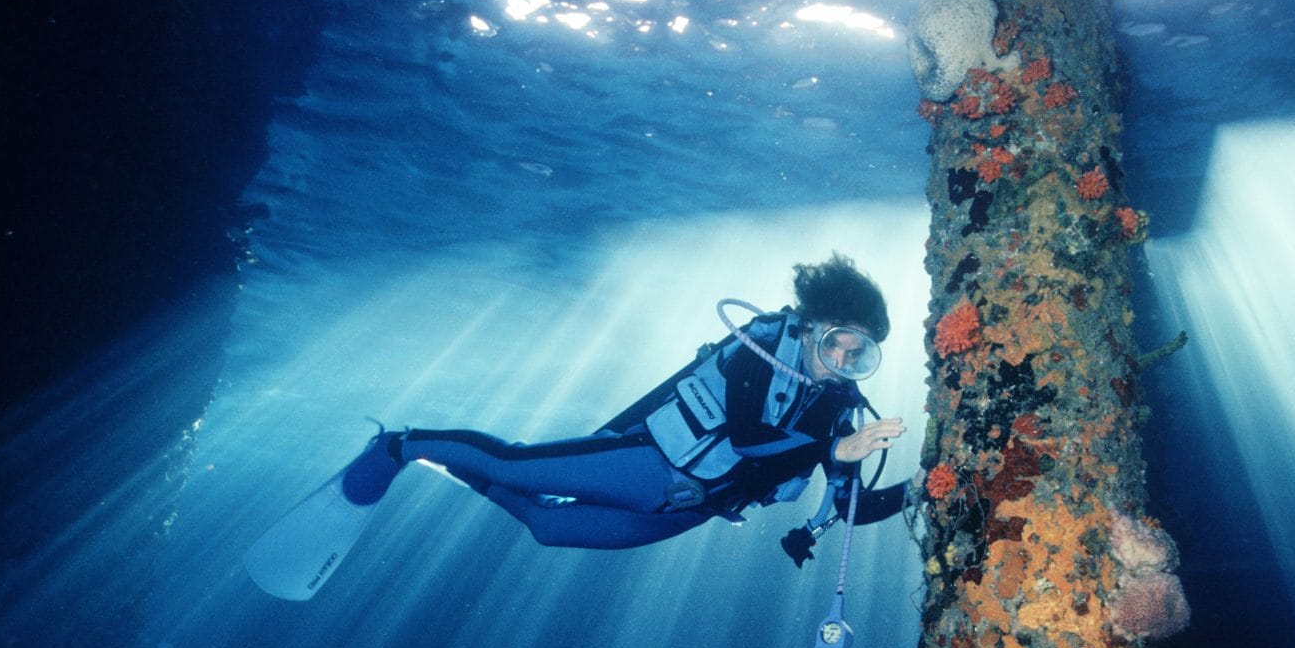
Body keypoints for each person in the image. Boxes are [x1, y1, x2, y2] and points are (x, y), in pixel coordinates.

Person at [341, 254, 913, 555]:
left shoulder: (839, 410)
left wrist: (923, 491)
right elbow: (744, 436)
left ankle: (453, 470)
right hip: (649, 463)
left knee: (545, 525)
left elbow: (852, 505)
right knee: (515, 464)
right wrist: (836, 447)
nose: (840, 361)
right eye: (836, 341)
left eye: (858, 355)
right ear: (812, 323)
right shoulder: (761, 343)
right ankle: (400, 445)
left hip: (694, 507)